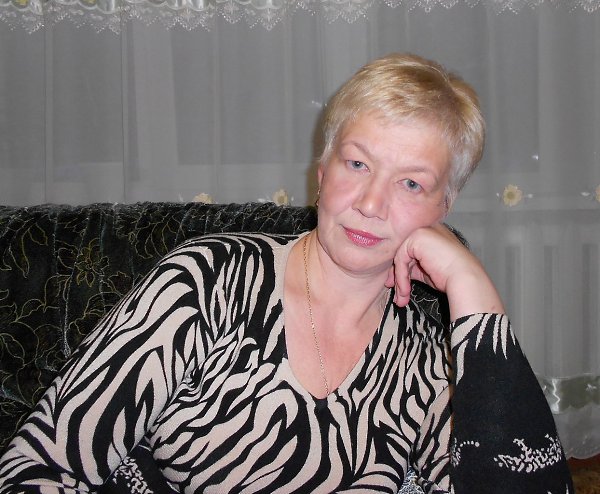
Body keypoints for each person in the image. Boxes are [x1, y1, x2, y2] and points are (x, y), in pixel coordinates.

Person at [0, 53, 573, 493]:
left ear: (443, 208)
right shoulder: (206, 284)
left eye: (411, 183)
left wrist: (475, 292)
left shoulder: (423, 363)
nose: (371, 204)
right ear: (321, 173)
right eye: (357, 163)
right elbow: (37, 467)